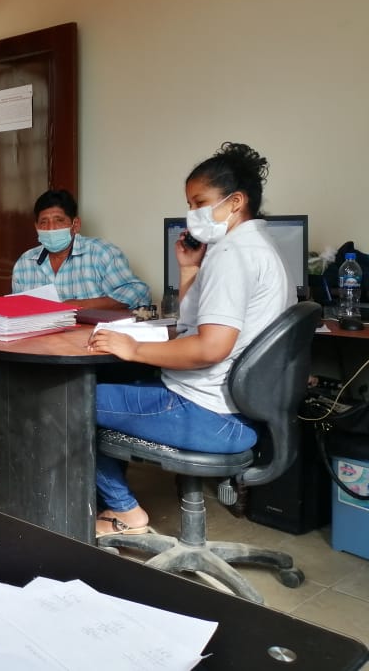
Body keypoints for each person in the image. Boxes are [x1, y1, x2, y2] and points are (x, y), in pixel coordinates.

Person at [88, 143, 293, 538]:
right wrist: (188, 270)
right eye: (189, 204)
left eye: (200, 202)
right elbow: (197, 323)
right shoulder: (258, 247)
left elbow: (209, 347)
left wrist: (133, 348)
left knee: (70, 402)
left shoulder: (233, 254)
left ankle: (124, 512)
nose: (192, 213)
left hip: (205, 414)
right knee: (116, 384)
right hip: (238, 412)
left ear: (236, 202)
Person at [0, 189, 151, 472]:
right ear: (36, 227)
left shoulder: (101, 253)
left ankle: (73, 449)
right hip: (38, 341)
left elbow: (137, 293)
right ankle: (1, 442)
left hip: (89, 344)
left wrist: (76, 305)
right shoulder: (26, 263)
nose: (51, 228)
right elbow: (17, 308)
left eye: (58, 221)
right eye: (44, 222)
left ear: (75, 224)